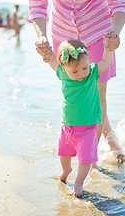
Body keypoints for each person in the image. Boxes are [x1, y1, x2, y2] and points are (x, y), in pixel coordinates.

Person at [28, 0, 125, 164]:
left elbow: (119, 1)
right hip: (63, 31)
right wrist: (41, 36)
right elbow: (37, 4)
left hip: (99, 28)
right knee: (80, 91)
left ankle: (91, 159)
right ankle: (111, 138)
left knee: (98, 93)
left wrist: (115, 31)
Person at [36, 38, 113, 198]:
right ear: (64, 67)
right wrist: (44, 48)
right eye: (75, 72)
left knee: (85, 160)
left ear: (88, 62)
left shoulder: (91, 73)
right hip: (67, 127)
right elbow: (50, 57)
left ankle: (79, 182)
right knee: (63, 154)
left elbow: (105, 62)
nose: (81, 74)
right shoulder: (62, 73)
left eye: (84, 68)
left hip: (87, 128)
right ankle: (66, 170)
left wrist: (108, 47)